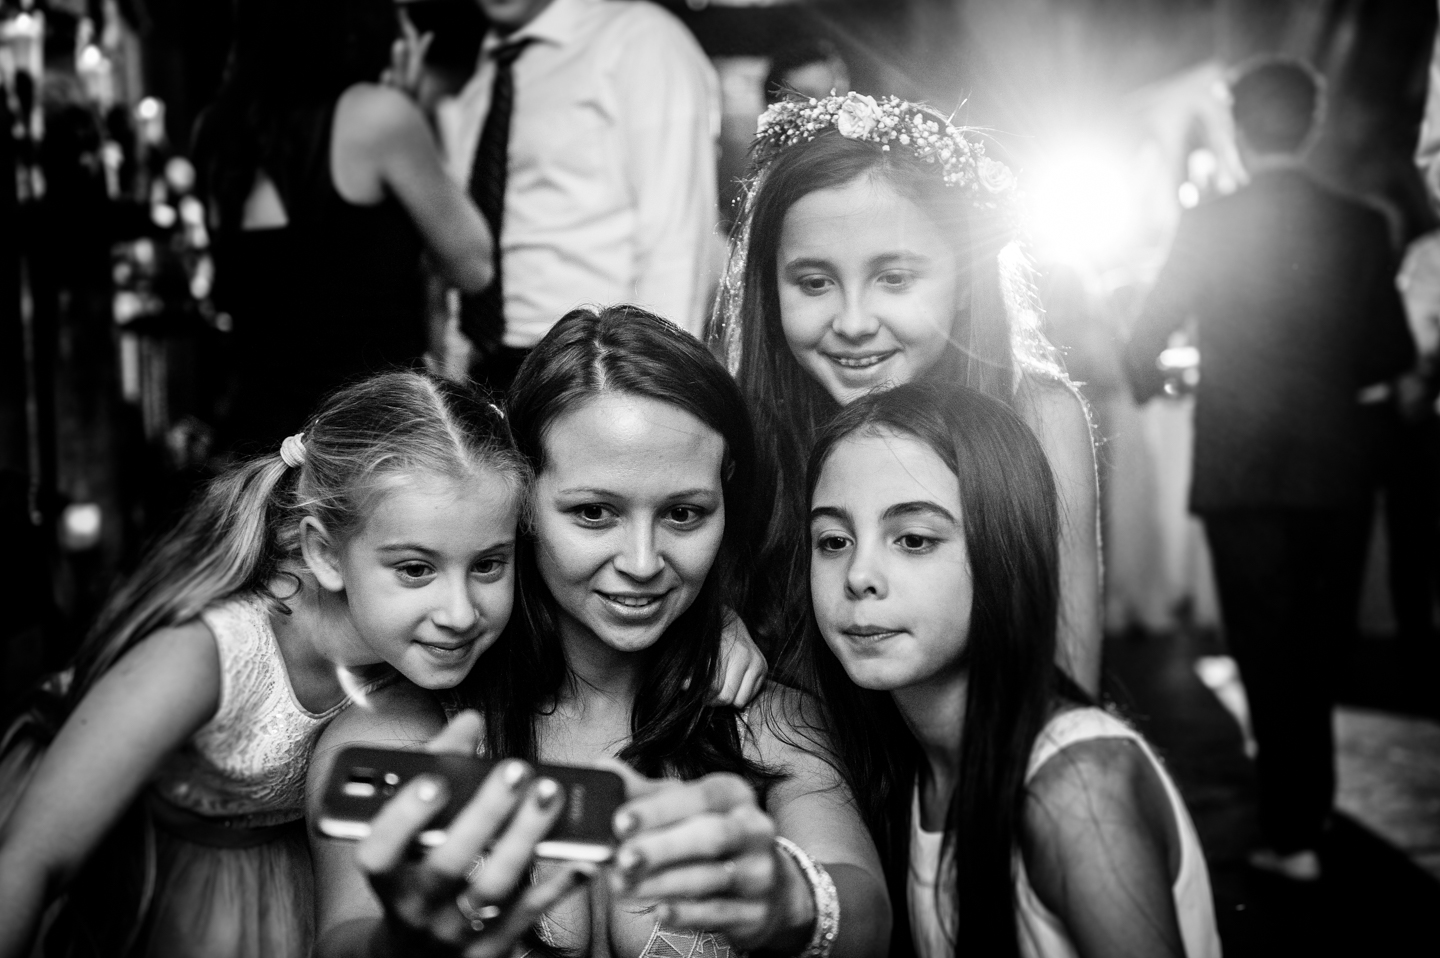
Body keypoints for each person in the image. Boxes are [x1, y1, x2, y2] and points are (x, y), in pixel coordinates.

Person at [309, 306, 889, 957]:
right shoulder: (399, 736)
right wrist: (399, 946)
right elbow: (346, 933)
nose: (643, 563)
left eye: (684, 513)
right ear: (521, 505)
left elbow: (863, 911)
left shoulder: (769, 724)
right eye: (594, 512)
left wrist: (788, 903)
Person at [0, 372, 525, 958]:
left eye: (487, 566)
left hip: (270, 870)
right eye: (414, 569)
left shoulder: (404, 670)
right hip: (116, 848)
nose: (459, 613)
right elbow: (31, 860)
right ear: (325, 554)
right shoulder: (207, 655)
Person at [798, 380, 1220, 958]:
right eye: (833, 539)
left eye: (914, 539)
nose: (858, 574)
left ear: (1003, 549)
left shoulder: (1077, 788)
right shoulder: (905, 763)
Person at [1124, 57, 1416, 881]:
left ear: (1241, 127)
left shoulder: (1210, 223)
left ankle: (1290, 829)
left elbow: (1145, 342)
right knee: (1321, 648)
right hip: (1335, 468)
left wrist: (1169, 376)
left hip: (1242, 466)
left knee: (1263, 644)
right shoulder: (1361, 223)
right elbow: (1388, 352)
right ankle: (1309, 812)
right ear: (1312, 124)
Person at [713, 91, 1103, 694]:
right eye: (814, 283)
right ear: (771, 290)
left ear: (966, 282)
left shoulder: (1039, 417)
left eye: (894, 278)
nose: (853, 321)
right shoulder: (740, 431)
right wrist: (717, 623)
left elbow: (1068, 670)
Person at [193, 0, 494, 453]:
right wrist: (415, 118)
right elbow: (474, 265)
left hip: (261, 441)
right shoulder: (380, 117)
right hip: (366, 440)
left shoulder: (217, 129)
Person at [435, 0, 720, 391]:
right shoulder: (489, 68)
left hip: (592, 368)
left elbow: (677, 237)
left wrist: (657, 386)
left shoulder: (641, 39)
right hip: (488, 365)